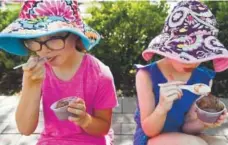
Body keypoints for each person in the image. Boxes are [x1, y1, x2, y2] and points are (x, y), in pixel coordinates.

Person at [0, 1, 118, 145]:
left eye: (54, 38)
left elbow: (103, 128)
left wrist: (85, 119)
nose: (43, 50)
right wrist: (31, 85)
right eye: (34, 40)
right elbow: (25, 129)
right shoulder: (38, 73)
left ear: (76, 35)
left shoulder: (100, 75)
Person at [133, 1, 228, 145]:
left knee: (220, 142)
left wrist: (205, 122)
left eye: (199, 55)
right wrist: (162, 107)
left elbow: (187, 127)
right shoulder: (146, 75)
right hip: (150, 139)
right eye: (185, 54)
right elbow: (149, 131)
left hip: (182, 136)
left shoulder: (204, 79)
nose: (192, 62)